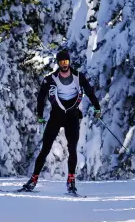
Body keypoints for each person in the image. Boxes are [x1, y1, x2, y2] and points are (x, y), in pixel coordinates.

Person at [17, 48, 100, 195]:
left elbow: (89, 92)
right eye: (62, 62)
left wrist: (97, 108)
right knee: (45, 149)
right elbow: (41, 97)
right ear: (58, 63)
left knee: (72, 148)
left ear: (69, 62)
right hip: (56, 116)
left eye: (66, 61)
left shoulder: (78, 77)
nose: (64, 64)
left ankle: (71, 181)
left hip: (72, 116)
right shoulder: (50, 78)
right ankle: (33, 180)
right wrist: (40, 115)